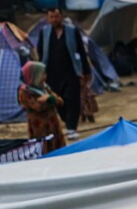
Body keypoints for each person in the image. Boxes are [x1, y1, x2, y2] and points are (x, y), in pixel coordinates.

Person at [39, 8, 91, 138]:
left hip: (71, 72)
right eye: (51, 17)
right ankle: (67, 121)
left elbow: (81, 52)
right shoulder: (44, 32)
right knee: (57, 100)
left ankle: (71, 127)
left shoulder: (72, 31)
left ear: (61, 17)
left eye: (56, 17)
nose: (54, 20)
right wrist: (41, 72)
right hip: (52, 73)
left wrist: (85, 71)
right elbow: (41, 52)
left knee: (72, 100)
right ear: (48, 18)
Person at [17, 61, 67, 155]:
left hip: (53, 124)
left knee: (57, 149)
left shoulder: (44, 88)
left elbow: (60, 101)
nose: (45, 76)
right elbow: (37, 106)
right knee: (43, 148)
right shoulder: (24, 92)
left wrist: (49, 98)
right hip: (39, 127)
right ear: (34, 76)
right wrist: (49, 100)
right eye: (42, 74)